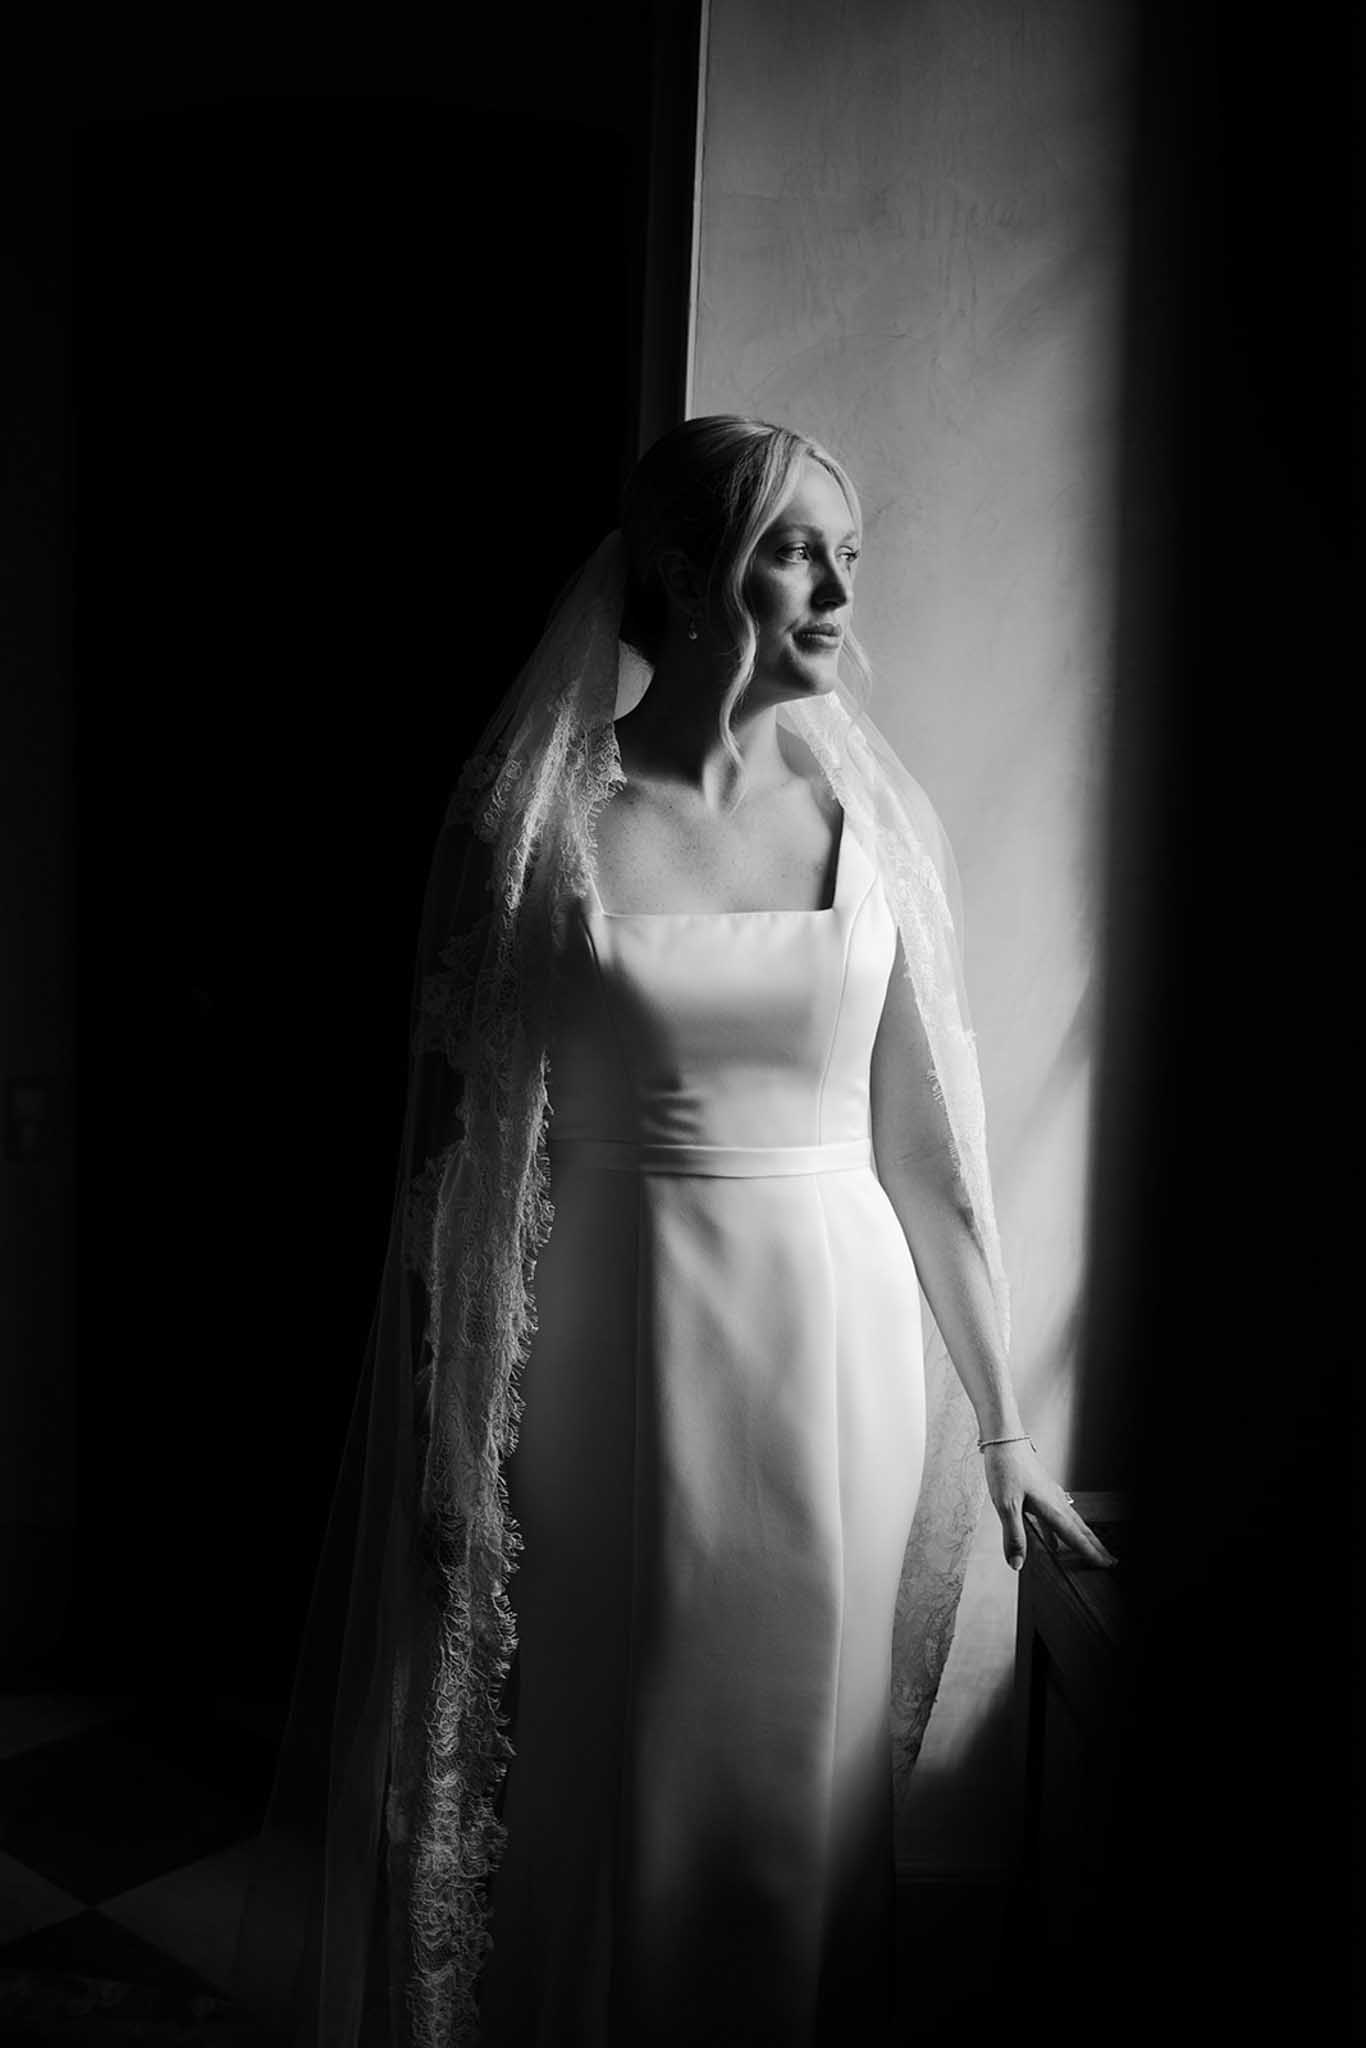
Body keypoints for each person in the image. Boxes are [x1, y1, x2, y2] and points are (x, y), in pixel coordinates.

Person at [229, 415, 1115, 2048]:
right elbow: (456, 1161)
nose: (838, 592)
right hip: (609, 1336)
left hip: (840, 1346)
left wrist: (1001, 1427)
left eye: (850, 555)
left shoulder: (872, 826)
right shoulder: (539, 823)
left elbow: (925, 1157)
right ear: (689, 576)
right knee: (615, 1720)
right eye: (797, 551)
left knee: (803, 1751)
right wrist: (445, 1424)